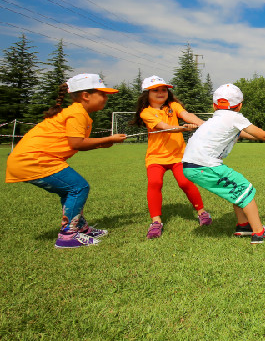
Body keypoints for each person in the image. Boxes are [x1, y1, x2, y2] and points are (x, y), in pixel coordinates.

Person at [5, 74, 127, 248]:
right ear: (86, 95)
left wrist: (102, 143)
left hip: (30, 160)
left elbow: (77, 143)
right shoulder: (77, 113)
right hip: (34, 160)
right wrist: (108, 139)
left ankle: (80, 227)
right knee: (79, 187)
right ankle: (68, 236)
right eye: (102, 94)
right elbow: (76, 143)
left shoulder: (77, 112)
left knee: (70, 190)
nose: (106, 98)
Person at [181, 83, 265, 244]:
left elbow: (246, 134)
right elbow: (262, 135)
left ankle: (243, 225)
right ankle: (259, 233)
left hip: (191, 165)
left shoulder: (217, 118)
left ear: (214, 105)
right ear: (239, 106)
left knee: (239, 191)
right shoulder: (234, 117)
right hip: (204, 165)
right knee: (245, 189)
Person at [130, 75, 211, 239]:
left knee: (185, 182)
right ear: (147, 94)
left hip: (178, 155)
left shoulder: (173, 106)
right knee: (155, 183)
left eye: (163, 90)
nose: (161, 93)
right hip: (156, 157)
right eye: (155, 90)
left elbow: (187, 115)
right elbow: (164, 127)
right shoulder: (146, 112)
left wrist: (204, 124)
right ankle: (156, 222)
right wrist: (182, 128)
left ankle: (202, 212)